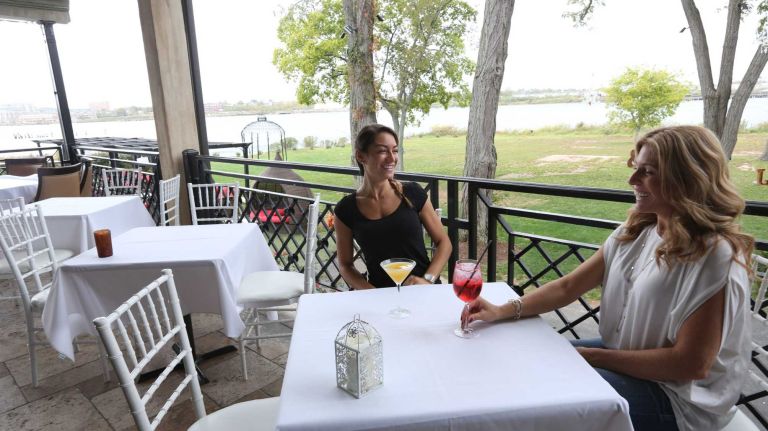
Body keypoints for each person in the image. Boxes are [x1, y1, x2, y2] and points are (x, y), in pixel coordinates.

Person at [465, 126, 753, 431]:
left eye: (648, 172)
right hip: (626, 355)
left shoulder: (713, 256)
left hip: (678, 399)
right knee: (525, 357)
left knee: (544, 394)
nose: (632, 181)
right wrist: (501, 310)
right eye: (636, 169)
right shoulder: (639, 230)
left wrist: (594, 357)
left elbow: (690, 363)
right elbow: (568, 286)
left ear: (686, 178)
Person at [335, 124, 451, 289]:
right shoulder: (346, 209)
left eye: (395, 151)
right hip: (379, 296)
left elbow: (444, 242)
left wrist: (427, 280)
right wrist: (371, 292)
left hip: (423, 290)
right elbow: (346, 265)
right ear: (361, 156)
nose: (392, 158)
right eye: (382, 151)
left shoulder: (412, 192)